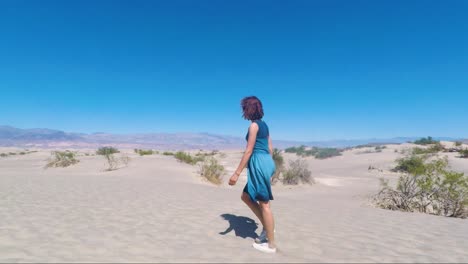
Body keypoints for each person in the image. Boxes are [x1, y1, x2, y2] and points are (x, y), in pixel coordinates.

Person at [229, 96, 277, 254]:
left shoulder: (254, 126)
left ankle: (271, 244)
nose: (244, 112)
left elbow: (249, 150)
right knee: (246, 196)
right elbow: (270, 148)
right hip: (266, 162)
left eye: (244, 108)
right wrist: (271, 167)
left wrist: (236, 173)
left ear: (249, 109)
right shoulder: (265, 126)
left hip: (258, 162)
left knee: (264, 204)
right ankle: (267, 228)